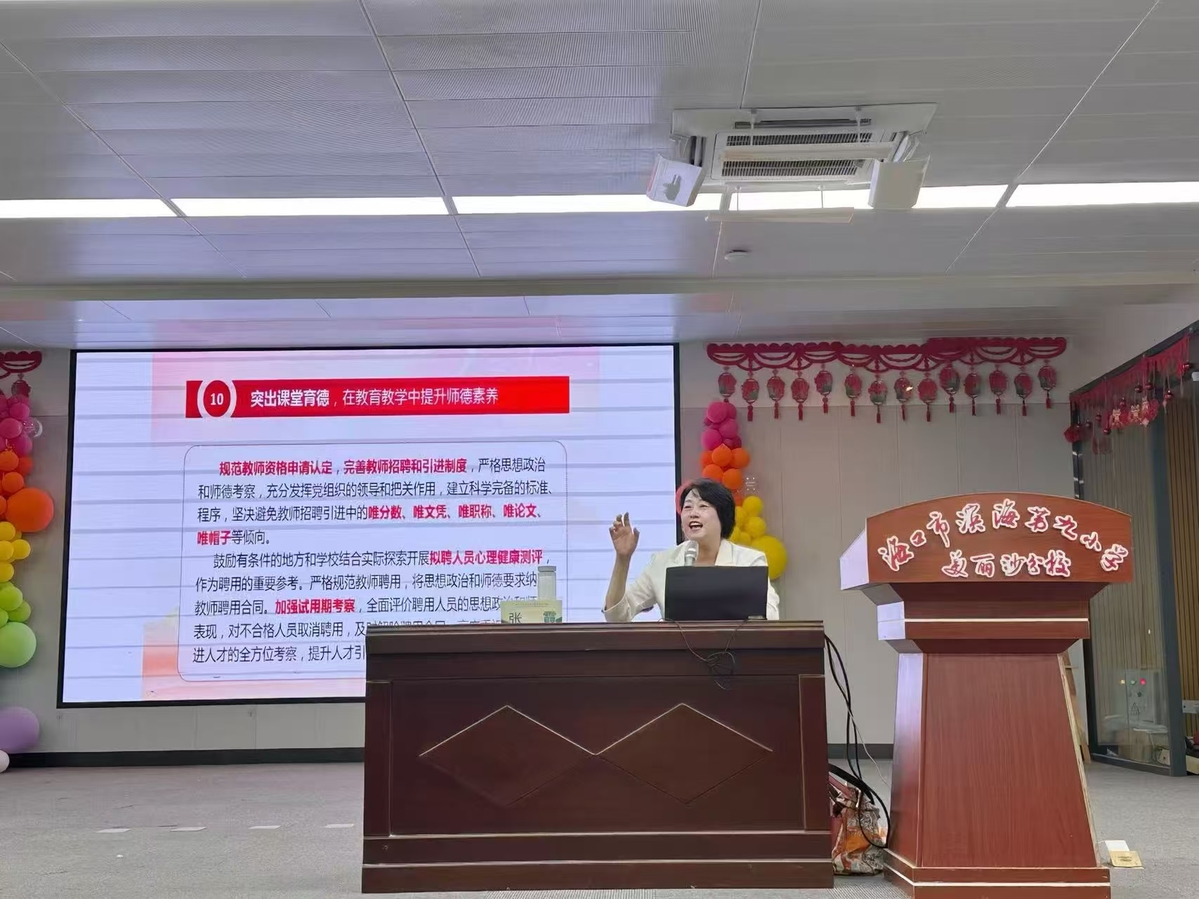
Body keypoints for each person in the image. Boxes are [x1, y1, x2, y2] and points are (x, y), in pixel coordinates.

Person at [603, 477, 780, 621]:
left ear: (722, 516)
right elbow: (616, 617)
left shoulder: (749, 561)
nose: (693, 513)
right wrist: (622, 559)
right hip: (677, 653)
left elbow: (770, 616)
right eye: (687, 507)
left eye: (703, 506)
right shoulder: (662, 562)